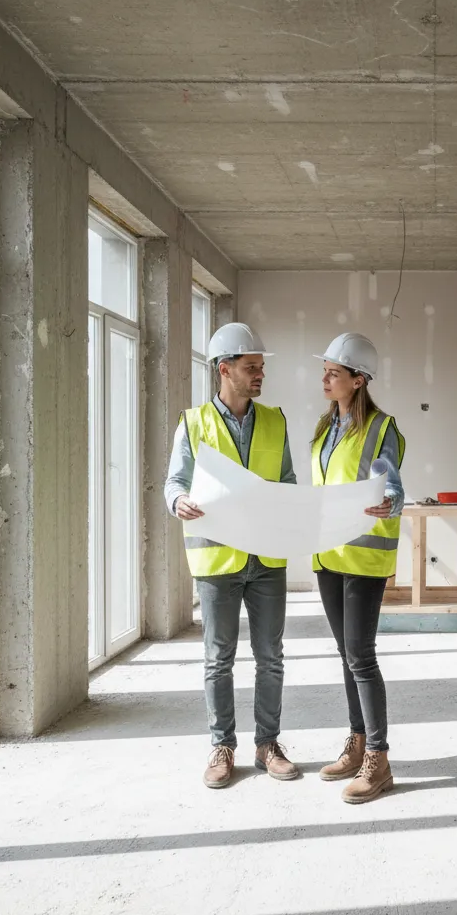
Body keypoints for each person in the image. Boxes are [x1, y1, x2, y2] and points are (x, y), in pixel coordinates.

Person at [164, 322, 300, 789]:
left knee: (271, 657)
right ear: (225, 369)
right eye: (251, 367)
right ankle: (222, 747)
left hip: (266, 560)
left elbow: (287, 483)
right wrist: (177, 502)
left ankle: (268, 744)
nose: (260, 375)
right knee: (218, 659)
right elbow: (174, 483)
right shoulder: (193, 423)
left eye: (261, 367)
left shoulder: (276, 421)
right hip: (218, 562)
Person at [310, 333, 405, 804]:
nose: (324, 378)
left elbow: (392, 484)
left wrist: (390, 501)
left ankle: (379, 759)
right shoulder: (326, 430)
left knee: (361, 656)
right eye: (324, 370)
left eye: (333, 372)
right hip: (328, 557)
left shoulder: (381, 427)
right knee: (346, 655)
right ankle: (357, 741)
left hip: (364, 558)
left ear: (358, 379)